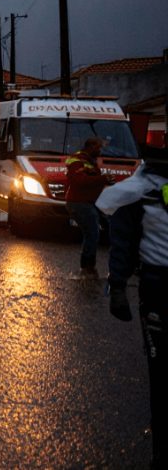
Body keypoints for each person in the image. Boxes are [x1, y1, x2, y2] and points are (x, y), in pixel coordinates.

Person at [98, 145, 168, 467]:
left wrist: (118, 288)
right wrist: (117, 288)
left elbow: (123, 241)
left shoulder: (138, 189)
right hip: (158, 287)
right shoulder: (140, 191)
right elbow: (123, 241)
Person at [65, 137, 112, 276]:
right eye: (98, 148)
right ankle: (87, 265)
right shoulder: (78, 161)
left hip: (88, 202)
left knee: (94, 232)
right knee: (92, 233)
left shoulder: (89, 161)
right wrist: (103, 179)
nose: (100, 151)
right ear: (90, 147)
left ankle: (88, 265)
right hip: (80, 203)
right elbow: (80, 181)